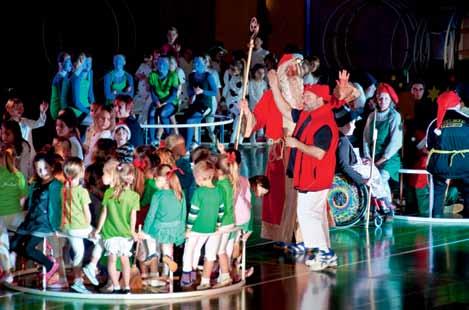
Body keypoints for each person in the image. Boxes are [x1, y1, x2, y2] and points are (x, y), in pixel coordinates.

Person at [10, 152, 62, 284]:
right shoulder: (35, 184)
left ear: (51, 167)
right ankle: (44, 261)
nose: (42, 172)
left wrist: (55, 226)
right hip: (30, 220)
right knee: (14, 244)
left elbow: (56, 207)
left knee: (29, 248)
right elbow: (29, 200)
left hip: (44, 222)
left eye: (45, 168)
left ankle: (49, 265)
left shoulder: (56, 185)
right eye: (38, 169)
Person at [92, 160, 139, 294]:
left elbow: (104, 213)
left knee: (112, 260)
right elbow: (132, 216)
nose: (133, 178)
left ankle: (116, 285)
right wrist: (132, 231)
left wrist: (99, 229)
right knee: (125, 260)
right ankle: (126, 286)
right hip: (125, 234)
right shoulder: (134, 196)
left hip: (110, 232)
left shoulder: (109, 193)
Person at [60, 158, 103, 293]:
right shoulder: (82, 191)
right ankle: (92, 265)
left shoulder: (64, 190)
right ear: (81, 172)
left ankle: (78, 281)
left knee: (79, 253)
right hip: (80, 227)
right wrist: (90, 228)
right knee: (101, 240)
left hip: (67, 227)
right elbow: (87, 213)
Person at [180, 160, 225, 289]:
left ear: (199, 178)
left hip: (196, 229)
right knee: (198, 249)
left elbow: (193, 213)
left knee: (189, 250)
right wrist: (217, 224)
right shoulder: (219, 191)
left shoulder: (199, 192)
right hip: (210, 229)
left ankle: (187, 274)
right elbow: (221, 210)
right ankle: (193, 273)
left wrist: (188, 228)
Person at [426, 91, 469, 217]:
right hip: (465, 164)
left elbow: (429, 147)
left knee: (438, 190)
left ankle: (436, 218)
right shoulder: (467, 121)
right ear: (457, 105)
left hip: (441, 165)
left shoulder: (434, 123)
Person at [141, 164, 186, 280]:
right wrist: (181, 232)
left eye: (156, 179)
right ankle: (166, 274)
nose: (154, 181)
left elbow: (151, 215)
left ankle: (153, 254)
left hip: (160, 228)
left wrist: (144, 231)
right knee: (167, 249)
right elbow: (183, 214)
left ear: (163, 179)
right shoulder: (180, 193)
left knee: (148, 235)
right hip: (175, 229)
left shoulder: (158, 195)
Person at [363, 83, 402, 205]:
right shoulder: (372, 116)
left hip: (389, 159)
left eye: (386, 98)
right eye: (380, 98)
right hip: (373, 156)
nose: (383, 101)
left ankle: (387, 206)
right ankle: (379, 206)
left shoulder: (394, 116)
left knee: (380, 178)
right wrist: (368, 157)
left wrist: (381, 160)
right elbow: (366, 138)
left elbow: (396, 142)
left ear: (390, 100)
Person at [0, 145, 28, 283]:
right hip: (16, 217)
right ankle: (14, 253)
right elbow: (23, 199)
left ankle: (7, 271)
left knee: (1, 240)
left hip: (1, 217)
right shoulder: (19, 176)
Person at [185, 56, 218, 149]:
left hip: (206, 105)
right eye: (195, 62)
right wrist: (191, 95)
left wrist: (202, 91)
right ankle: (194, 142)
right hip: (195, 104)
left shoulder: (208, 76)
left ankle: (187, 148)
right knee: (186, 118)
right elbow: (190, 89)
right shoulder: (191, 76)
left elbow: (214, 92)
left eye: (199, 63)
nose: (196, 65)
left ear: (204, 63)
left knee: (191, 121)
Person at [148, 57, 180, 144]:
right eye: (159, 63)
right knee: (151, 113)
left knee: (163, 113)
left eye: (164, 64)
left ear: (168, 65)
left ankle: (168, 135)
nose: (161, 66)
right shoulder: (152, 75)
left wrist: (163, 103)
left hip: (170, 102)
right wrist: (156, 101)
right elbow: (152, 91)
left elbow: (173, 95)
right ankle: (152, 139)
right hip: (157, 101)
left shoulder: (173, 75)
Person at [248, 64, 268, 143]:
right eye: (259, 73)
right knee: (254, 122)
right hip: (254, 107)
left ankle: (260, 136)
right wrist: (258, 103)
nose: (261, 75)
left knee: (261, 122)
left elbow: (266, 94)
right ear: (254, 73)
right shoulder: (251, 83)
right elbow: (251, 95)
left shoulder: (264, 83)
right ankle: (252, 139)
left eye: (263, 73)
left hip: (262, 107)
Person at [50, 52, 73, 120]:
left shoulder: (65, 75)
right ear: (61, 64)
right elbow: (63, 100)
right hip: (58, 110)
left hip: (63, 107)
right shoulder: (59, 78)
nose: (71, 64)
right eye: (68, 62)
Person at [133, 52, 153, 124]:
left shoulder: (155, 67)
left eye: (149, 56)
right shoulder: (142, 65)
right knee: (132, 108)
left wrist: (147, 79)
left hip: (149, 94)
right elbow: (136, 76)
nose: (147, 58)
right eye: (146, 56)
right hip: (140, 93)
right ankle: (135, 123)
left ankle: (141, 124)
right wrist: (141, 76)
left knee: (146, 110)